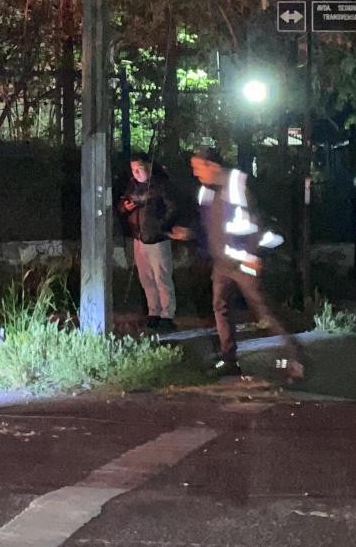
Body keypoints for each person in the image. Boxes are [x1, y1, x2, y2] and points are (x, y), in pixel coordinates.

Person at [180, 147, 303, 379]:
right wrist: (192, 235)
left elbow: (255, 223)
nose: (196, 173)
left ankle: (294, 355)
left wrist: (253, 256)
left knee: (262, 310)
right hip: (222, 263)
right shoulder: (205, 191)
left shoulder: (237, 186)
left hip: (243, 262)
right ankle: (229, 359)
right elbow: (208, 226)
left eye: (198, 167)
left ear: (212, 165)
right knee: (220, 307)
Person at [118, 155, 178, 330]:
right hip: (139, 238)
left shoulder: (161, 185)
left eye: (139, 168)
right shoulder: (133, 186)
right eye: (133, 170)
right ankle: (153, 312)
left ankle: (167, 315)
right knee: (146, 278)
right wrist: (125, 207)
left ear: (149, 167)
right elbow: (122, 205)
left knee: (162, 277)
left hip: (157, 239)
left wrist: (160, 226)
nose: (136, 173)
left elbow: (172, 208)